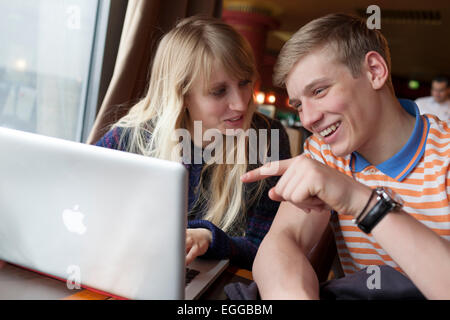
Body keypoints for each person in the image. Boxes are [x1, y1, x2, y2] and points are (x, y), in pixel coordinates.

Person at [242, 13, 450, 299]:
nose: (309, 119)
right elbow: (282, 241)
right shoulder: (324, 153)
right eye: (299, 104)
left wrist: (359, 200)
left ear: (374, 71)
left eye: (320, 90)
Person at [95, 16, 291, 270]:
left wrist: (211, 239)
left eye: (244, 83)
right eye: (219, 91)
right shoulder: (136, 135)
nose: (242, 104)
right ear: (182, 95)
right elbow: (77, 194)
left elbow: (266, 248)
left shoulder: (266, 138)